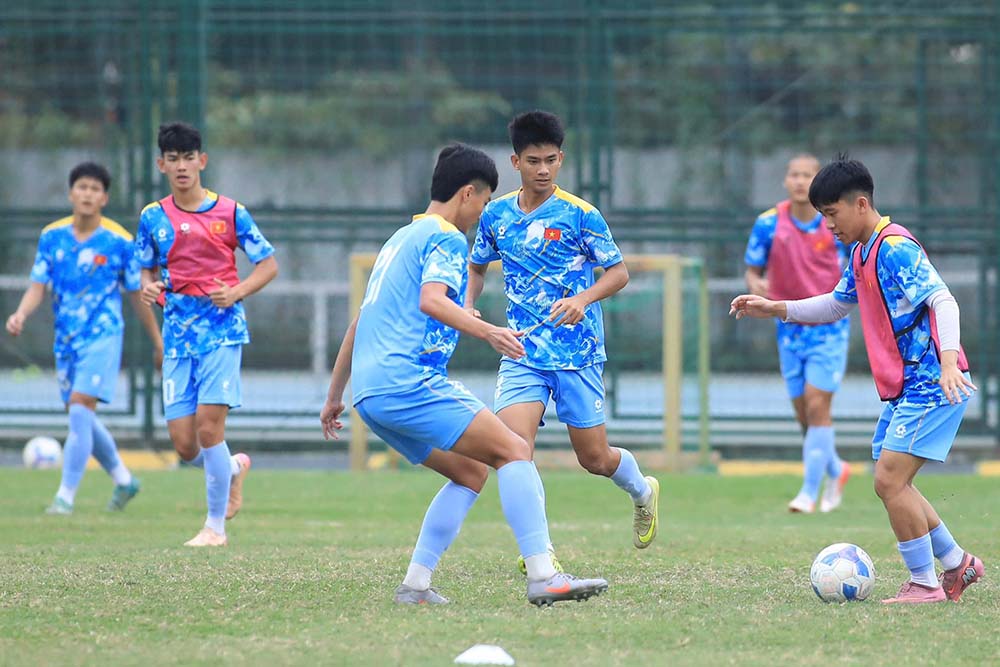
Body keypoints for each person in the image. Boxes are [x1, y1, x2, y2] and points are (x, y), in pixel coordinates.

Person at [320, 143, 608, 607]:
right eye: (483, 201)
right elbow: (433, 300)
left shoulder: (399, 239)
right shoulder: (445, 237)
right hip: (407, 381)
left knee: (472, 472)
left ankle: (415, 585)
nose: (480, 216)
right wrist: (489, 332)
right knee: (514, 450)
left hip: (371, 394)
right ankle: (543, 575)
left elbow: (360, 322)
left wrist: (335, 396)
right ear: (468, 194)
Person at [730, 157, 983, 604]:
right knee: (892, 478)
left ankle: (925, 584)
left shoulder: (895, 247)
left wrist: (947, 362)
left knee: (889, 481)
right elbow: (833, 305)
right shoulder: (862, 251)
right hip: (908, 387)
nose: (828, 225)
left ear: (860, 204)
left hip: (932, 381)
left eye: (832, 214)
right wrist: (775, 307)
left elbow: (944, 301)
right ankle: (956, 563)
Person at [465, 110, 658, 569]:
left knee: (593, 458)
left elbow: (620, 273)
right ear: (516, 162)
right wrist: (470, 304)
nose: (544, 170)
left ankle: (642, 489)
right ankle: (539, 551)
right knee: (513, 450)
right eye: (534, 161)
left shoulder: (580, 214)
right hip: (522, 353)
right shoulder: (495, 215)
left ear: (561, 158)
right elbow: (476, 266)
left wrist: (584, 299)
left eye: (552, 160)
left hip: (578, 353)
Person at [137, 122, 278, 547]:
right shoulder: (152, 216)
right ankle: (231, 469)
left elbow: (268, 264)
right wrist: (148, 284)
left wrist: (236, 291)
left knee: (209, 429)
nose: (182, 166)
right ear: (162, 165)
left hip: (222, 332)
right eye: (172, 159)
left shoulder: (231, 212)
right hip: (178, 334)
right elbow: (145, 268)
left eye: (188, 157)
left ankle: (214, 528)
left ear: (203, 161)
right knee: (184, 444)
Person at [6, 162, 163, 514]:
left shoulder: (120, 241)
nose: (88, 194)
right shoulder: (52, 236)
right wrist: (20, 314)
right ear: (70, 193)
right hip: (67, 340)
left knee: (79, 407)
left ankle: (65, 497)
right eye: (82, 187)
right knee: (82, 416)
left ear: (104, 197)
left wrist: (158, 340)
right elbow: (38, 285)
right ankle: (124, 480)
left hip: (103, 336)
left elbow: (138, 295)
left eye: (95, 189)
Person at [743, 154, 852, 513]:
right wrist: (756, 286)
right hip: (788, 327)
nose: (800, 181)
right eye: (794, 175)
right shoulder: (768, 223)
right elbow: (753, 270)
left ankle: (808, 492)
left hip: (829, 327)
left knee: (818, 404)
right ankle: (837, 470)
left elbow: (851, 271)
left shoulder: (834, 225)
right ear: (786, 181)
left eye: (808, 175)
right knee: (804, 412)